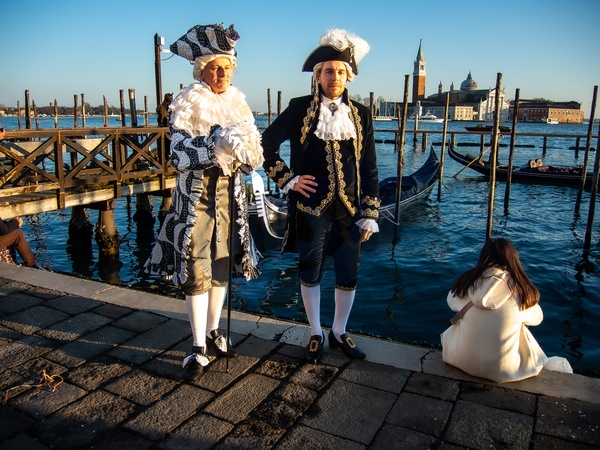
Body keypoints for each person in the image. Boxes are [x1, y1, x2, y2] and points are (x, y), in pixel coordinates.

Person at [144, 23, 264, 381]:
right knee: (196, 268)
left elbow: (248, 160)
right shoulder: (187, 103)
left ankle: (213, 331)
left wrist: (246, 154)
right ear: (201, 71)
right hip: (195, 200)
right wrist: (217, 144)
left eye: (227, 67)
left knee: (222, 265)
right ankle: (197, 346)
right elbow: (178, 154)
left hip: (230, 200)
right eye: (215, 67)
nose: (222, 73)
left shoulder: (238, 104)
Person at [261, 29, 380, 363]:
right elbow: (265, 144)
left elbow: (369, 165)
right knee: (309, 269)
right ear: (318, 76)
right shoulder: (299, 108)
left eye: (341, 71)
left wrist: (370, 212)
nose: (335, 77)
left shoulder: (362, 114)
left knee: (348, 272)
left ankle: (339, 332)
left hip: (351, 210)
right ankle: (315, 331)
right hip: (311, 208)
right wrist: (288, 179)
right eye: (329, 71)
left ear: (348, 76)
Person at [441, 238, 572, 383]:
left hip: (461, 361)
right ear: (513, 259)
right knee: (521, 326)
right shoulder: (521, 291)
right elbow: (537, 319)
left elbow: (451, 301)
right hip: (505, 371)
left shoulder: (466, 283)